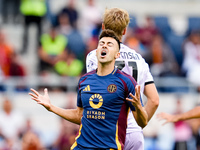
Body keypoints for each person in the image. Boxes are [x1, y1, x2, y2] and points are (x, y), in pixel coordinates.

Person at [29, 29, 148, 149]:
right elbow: (79, 115)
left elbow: (142, 122)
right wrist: (51, 107)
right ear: (96, 52)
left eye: (109, 44)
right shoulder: (84, 80)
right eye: (101, 44)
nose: (104, 46)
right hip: (80, 146)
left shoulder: (126, 82)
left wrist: (138, 107)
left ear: (117, 55)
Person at [86, 7, 159, 150]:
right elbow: (154, 100)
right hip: (134, 133)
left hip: (107, 131)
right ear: (125, 31)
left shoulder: (95, 56)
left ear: (103, 27)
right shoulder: (139, 59)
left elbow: (96, 94)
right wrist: (139, 124)